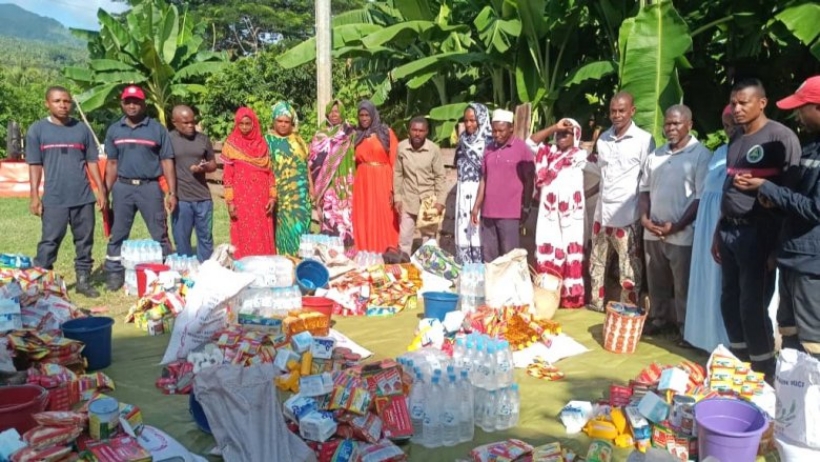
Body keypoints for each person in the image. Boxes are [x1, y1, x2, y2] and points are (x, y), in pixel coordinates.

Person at [713, 78, 802, 379]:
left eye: (743, 103)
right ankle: (739, 364)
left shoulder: (781, 137)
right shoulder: (736, 138)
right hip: (729, 232)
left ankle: (763, 371)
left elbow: (792, 193)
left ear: (761, 103)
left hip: (759, 234)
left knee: (752, 304)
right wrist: (718, 230)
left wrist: (777, 246)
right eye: (733, 103)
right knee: (729, 301)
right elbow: (729, 187)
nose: (736, 109)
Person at [733, 75, 820, 359]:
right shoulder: (811, 148)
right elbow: (794, 197)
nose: (797, 114)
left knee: (813, 342)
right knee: (789, 330)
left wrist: (766, 186)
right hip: (792, 254)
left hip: (812, 264)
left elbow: (814, 209)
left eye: (802, 107)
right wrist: (774, 200)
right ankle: (790, 395)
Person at [639, 105, 711, 344]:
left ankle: (685, 329)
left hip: (681, 234)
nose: (670, 128)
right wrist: (645, 218)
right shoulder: (656, 155)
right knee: (656, 281)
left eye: (676, 124)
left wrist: (678, 225)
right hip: (653, 231)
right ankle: (659, 319)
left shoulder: (701, 155)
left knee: (683, 286)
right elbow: (644, 190)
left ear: (689, 125)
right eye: (667, 123)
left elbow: (701, 198)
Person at [26, 86, 106, 298]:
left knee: (84, 241)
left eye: (66, 101)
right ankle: (42, 283)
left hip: (83, 197)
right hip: (54, 199)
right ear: (47, 103)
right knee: (50, 241)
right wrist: (34, 195)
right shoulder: (37, 130)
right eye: (57, 101)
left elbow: (92, 161)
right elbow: (34, 165)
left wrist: (100, 188)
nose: (62, 105)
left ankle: (83, 281)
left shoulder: (81, 129)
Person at [586, 92, 655, 312]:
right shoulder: (604, 138)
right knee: (596, 265)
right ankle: (596, 305)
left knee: (629, 270)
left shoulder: (644, 140)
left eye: (621, 111)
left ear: (632, 111)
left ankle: (628, 312)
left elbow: (647, 180)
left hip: (628, 215)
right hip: (602, 214)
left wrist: (646, 213)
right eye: (613, 111)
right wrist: (587, 193)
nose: (616, 115)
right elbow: (603, 175)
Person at [103, 85, 176, 291]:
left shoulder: (156, 129)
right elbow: (111, 164)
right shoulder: (115, 130)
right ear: (122, 104)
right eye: (128, 102)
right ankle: (114, 272)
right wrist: (104, 193)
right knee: (118, 232)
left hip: (149, 188)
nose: (132, 105)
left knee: (159, 231)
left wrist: (172, 191)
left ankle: (166, 271)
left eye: (136, 102)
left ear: (144, 104)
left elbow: (167, 161)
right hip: (122, 188)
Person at [683, 105, 734, 352]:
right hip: (707, 223)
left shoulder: (751, 152)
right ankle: (704, 337)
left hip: (728, 223)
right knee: (706, 279)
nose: (730, 128)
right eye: (725, 125)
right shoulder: (719, 153)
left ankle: (726, 340)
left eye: (733, 123)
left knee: (724, 282)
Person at [526, 118, 587, 308]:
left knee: (570, 252)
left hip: (572, 217)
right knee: (549, 249)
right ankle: (548, 297)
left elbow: (601, 179)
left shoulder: (581, 158)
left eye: (566, 133)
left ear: (576, 135)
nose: (561, 136)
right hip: (549, 216)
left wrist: (584, 196)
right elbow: (530, 142)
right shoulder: (548, 154)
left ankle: (570, 299)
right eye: (559, 133)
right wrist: (554, 126)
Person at [471, 109, 535, 262]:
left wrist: (526, 207)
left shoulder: (522, 149)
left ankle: (510, 286)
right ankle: (492, 285)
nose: (497, 134)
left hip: (510, 213)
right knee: (489, 256)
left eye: (501, 131)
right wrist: (477, 206)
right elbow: (484, 179)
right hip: (488, 213)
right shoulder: (489, 148)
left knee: (510, 256)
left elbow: (529, 181)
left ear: (511, 128)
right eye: (494, 131)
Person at [222, 107, 276, 259]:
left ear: (254, 124)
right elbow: (227, 176)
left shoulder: (262, 144)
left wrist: (272, 197)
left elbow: (270, 173)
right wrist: (230, 201)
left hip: (261, 197)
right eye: (241, 124)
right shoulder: (231, 144)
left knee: (261, 230)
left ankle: (265, 265)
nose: (244, 127)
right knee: (244, 232)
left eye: (248, 123)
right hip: (242, 198)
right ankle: (244, 265)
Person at [393, 116, 447, 255]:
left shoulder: (433, 149)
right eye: (414, 130)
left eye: (421, 130)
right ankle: (404, 268)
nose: (417, 133)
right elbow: (398, 173)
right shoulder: (402, 147)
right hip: (407, 199)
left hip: (429, 201)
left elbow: (440, 177)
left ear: (427, 132)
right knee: (404, 238)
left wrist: (440, 202)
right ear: (409, 131)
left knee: (428, 239)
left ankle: (427, 270)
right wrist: (397, 198)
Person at [169, 105, 216, 262]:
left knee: (206, 238)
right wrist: (170, 194)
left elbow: (213, 163)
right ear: (174, 122)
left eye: (193, 122)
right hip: (182, 200)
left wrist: (204, 167)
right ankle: (185, 271)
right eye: (185, 122)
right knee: (182, 239)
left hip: (203, 198)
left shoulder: (202, 139)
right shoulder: (169, 140)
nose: (191, 126)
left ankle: (207, 270)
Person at [352, 100, 399, 253]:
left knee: (384, 214)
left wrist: (394, 188)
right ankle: (366, 251)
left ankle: (387, 250)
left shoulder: (386, 133)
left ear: (373, 115)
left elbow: (395, 160)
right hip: (362, 183)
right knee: (365, 216)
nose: (364, 118)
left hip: (383, 180)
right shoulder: (356, 136)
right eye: (361, 115)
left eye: (367, 115)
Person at [266, 101, 312, 257]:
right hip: (281, 197)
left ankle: (301, 263)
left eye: (287, 122)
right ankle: (285, 264)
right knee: (283, 231)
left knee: (301, 230)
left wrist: (311, 189)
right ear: (273, 121)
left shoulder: (299, 141)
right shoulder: (267, 142)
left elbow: (307, 167)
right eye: (280, 121)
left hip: (300, 198)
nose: (283, 125)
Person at [308, 99, 356, 248]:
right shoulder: (320, 134)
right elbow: (312, 157)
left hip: (343, 181)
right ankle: (328, 251)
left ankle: (347, 250)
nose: (334, 114)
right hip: (326, 184)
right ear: (327, 113)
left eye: (337, 111)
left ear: (342, 113)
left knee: (345, 216)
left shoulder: (349, 131)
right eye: (331, 111)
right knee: (329, 216)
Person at [454, 103, 492, 264]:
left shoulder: (490, 143)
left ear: (481, 119)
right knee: (463, 230)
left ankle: (480, 272)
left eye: (473, 120)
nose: (469, 124)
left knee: (478, 233)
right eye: (466, 120)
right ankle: (465, 272)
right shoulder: (462, 140)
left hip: (481, 191)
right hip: (463, 192)